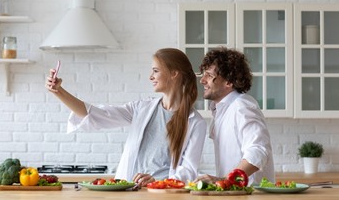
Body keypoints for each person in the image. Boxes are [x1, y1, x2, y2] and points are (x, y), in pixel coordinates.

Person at [46, 48, 207, 187]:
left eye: (156, 71)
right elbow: (95, 114)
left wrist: (158, 181)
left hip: (162, 195)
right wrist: (59, 91)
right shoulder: (141, 108)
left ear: (174, 74)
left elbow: (188, 171)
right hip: (129, 191)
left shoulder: (195, 122)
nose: (151, 76)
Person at [194, 46, 275, 186]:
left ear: (229, 82)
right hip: (236, 195)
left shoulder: (242, 107)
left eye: (209, 75)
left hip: (251, 199)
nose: (202, 80)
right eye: (204, 74)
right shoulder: (221, 109)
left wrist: (226, 180)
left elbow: (258, 151)